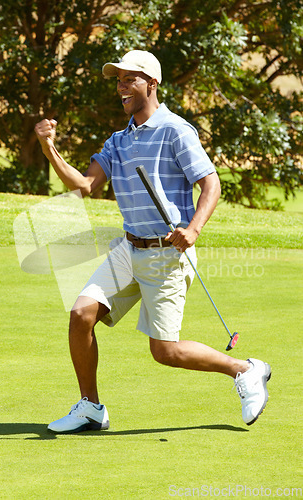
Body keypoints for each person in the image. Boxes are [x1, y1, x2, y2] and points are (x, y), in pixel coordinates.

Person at [35, 50, 271, 433]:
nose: (122, 86)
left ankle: (246, 370)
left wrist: (192, 229)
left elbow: (210, 183)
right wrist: (50, 148)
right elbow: (83, 186)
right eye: (119, 80)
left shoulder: (176, 129)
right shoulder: (117, 141)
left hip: (168, 255)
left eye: (131, 79)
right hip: (128, 249)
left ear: (152, 84)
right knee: (81, 315)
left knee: (165, 351)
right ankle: (91, 407)